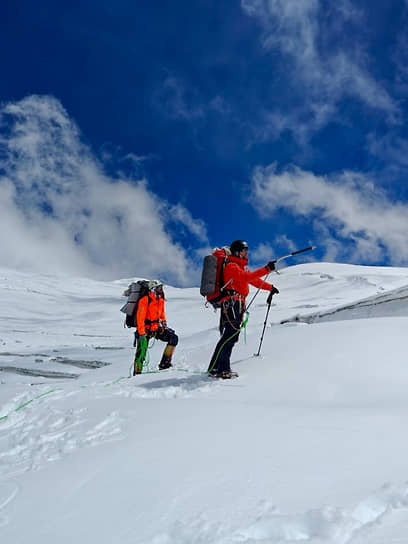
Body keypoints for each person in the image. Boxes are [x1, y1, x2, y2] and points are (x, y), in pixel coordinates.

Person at [207, 240, 279, 379]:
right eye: (244, 250)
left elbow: (254, 281)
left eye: (247, 250)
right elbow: (247, 278)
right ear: (236, 251)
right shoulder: (231, 266)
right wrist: (266, 269)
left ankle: (215, 367)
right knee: (230, 336)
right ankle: (222, 369)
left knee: (229, 336)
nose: (246, 253)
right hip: (232, 303)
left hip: (235, 304)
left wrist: (270, 287)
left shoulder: (240, 267)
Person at [133, 280, 178, 375]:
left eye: (161, 287)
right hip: (145, 330)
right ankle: (136, 374)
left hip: (156, 328)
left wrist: (164, 323)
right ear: (153, 289)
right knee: (141, 354)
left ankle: (164, 365)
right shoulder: (145, 300)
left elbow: (161, 313)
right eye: (159, 288)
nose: (161, 290)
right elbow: (140, 319)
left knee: (173, 338)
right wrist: (141, 333)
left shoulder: (160, 299)